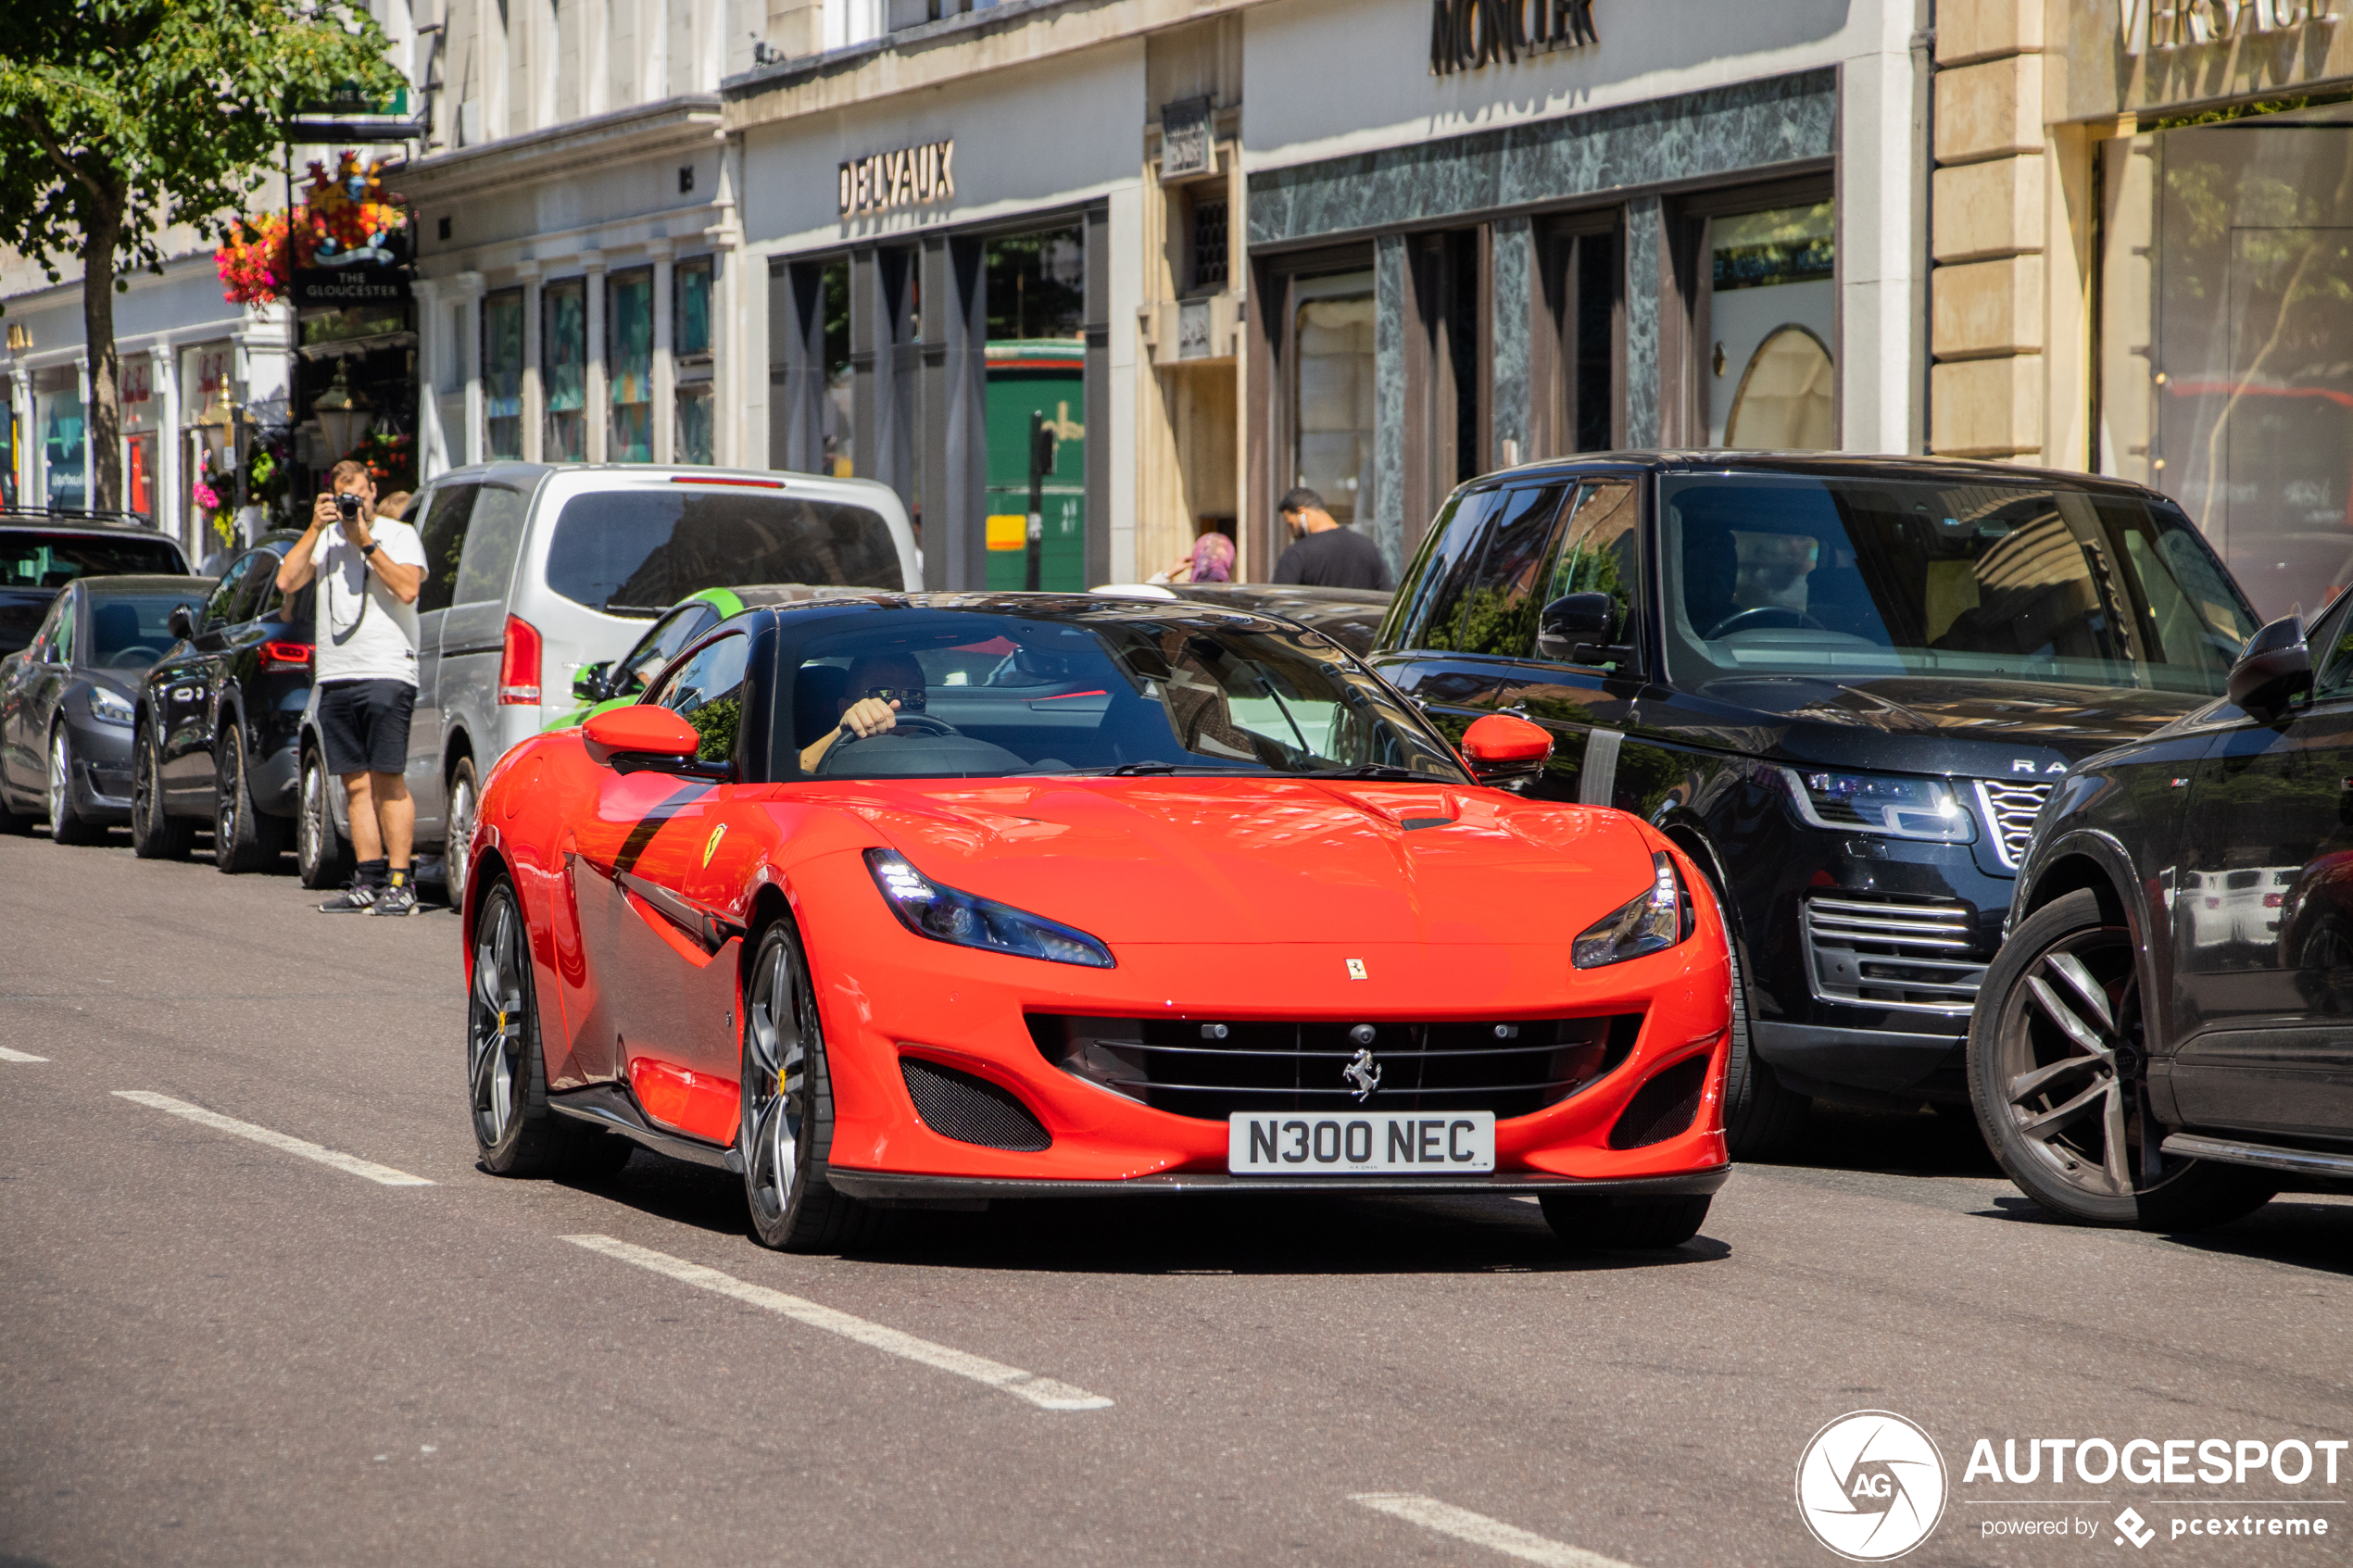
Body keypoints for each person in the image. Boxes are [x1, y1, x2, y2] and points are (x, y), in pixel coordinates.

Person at [275, 458, 429, 914]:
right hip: (337, 673)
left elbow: (407, 590)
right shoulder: (324, 538)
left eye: (358, 495)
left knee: (388, 778)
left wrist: (365, 540)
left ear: (373, 492)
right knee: (354, 784)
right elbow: (286, 580)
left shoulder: (399, 535)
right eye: (343, 497)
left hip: (386, 671)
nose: (351, 504)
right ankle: (369, 876)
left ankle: (402, 881)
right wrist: (313, 527)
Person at [798, 652, 924, 773]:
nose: (898, 706)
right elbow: (787, 774)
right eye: (880, 694)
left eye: (913, 697)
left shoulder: (938, 748)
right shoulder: (836, 764)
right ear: (845, 708)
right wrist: (841, 733)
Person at [1271, 487, 1393, 591]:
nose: (1292, 534)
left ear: (1302, 513)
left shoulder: (1297, 554)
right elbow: (1386, 596)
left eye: (1290, 524)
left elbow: (1278, 604)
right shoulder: (1368, 547)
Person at [1148, 531, 1237, 586]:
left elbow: (1139, 601)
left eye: (1218, 559)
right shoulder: (1239, 597)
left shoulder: (1182, 595)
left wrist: (1169, 574)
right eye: (1207, 556)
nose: (1212, 564)